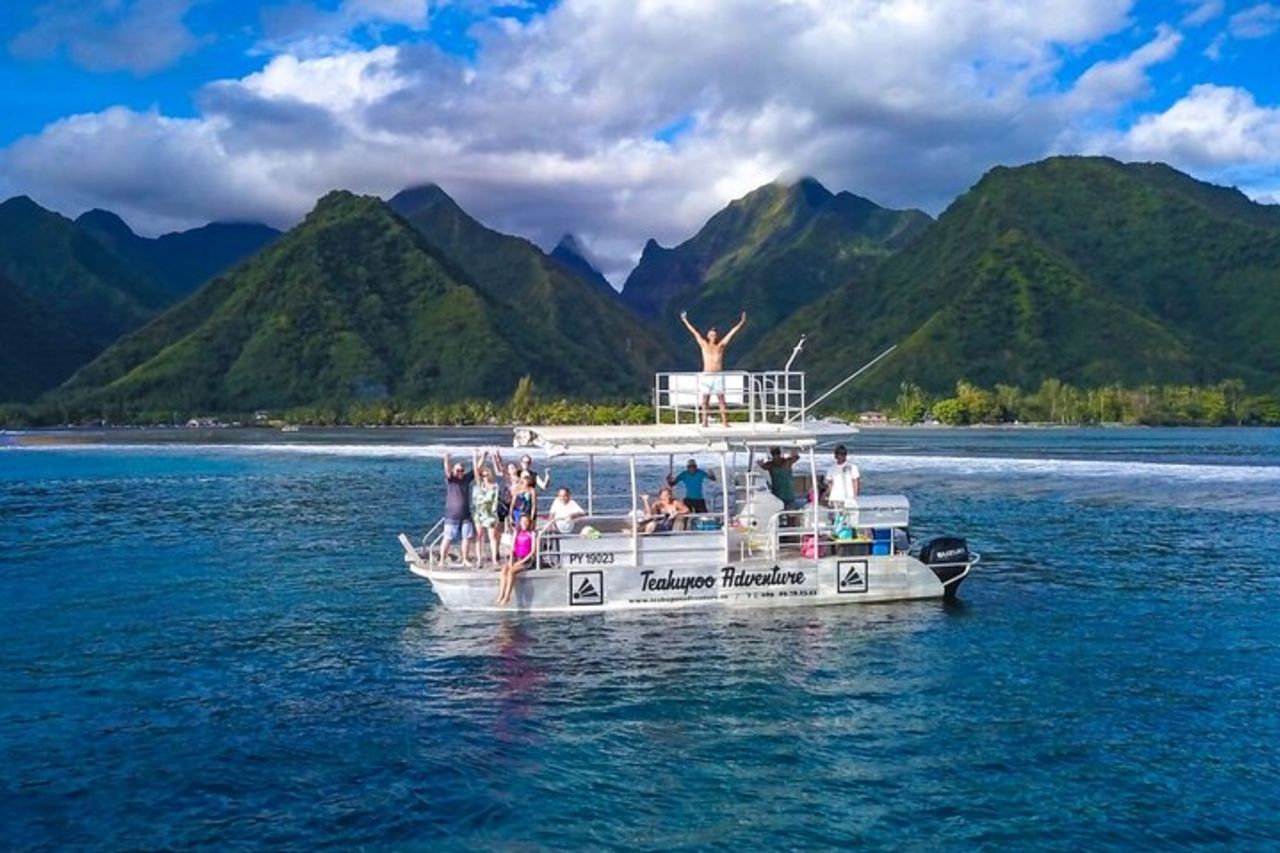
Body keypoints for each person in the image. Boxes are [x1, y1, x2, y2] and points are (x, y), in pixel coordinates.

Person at [679, 309, 747, 427]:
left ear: (716, 336)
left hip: (718, 375)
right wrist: (685, 321)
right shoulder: (704, 345)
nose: (713, 336)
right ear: (708, 335)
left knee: (721, 399)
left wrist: (741, 322)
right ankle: (704, 421)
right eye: (711, 334)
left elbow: (731, 333)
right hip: (706, 375)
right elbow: (694, 332)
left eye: (714, 335)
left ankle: (725, 422)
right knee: (705, 399)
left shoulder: (721, 346)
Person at [439, 452, 475, 566]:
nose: (460, 472)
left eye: (461, 470)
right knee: (447, 538)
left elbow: (476, 469)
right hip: (452, 515)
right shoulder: (451, 480)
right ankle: (441, 560)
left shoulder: (466, 479)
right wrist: (446, 459)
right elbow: (447, 470)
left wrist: (478, 457)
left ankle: (465, 559)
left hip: (465, 514)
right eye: (457, 470)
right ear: (454, 471)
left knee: (466, 538)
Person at [496, 514, 536, 606]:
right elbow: (512, 548)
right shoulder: (517, 532)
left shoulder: (532, 534)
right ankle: (501, 594)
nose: (524, 524)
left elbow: (532, 551)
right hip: (516, 558)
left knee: (511, 571)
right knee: (504, 570)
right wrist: (511, 561)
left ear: (529, 523)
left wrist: (521, 562)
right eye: (522, 522)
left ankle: (507, 596)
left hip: (526, 560)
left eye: (526, 522)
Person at [470, 451, 502, 566]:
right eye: (483, 475)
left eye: (486, 474)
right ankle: (479, 559)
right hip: (479, 513)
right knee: (479, 536)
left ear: (490, 475)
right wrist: (478, 457)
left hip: (490, 514)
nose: (485, 477)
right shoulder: (479, 485)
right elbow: (475, 470)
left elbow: (495, 501)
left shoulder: (494, 486)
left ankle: (494, 559)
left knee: (492, 537)